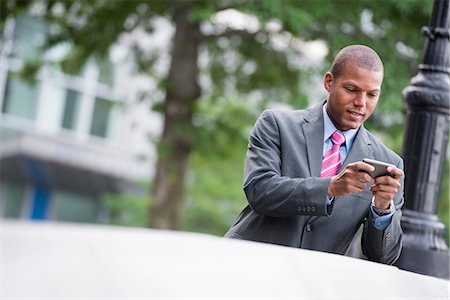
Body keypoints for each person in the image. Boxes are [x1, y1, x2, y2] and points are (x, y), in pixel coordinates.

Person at [225, 45, 405, 264]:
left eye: (371, 94)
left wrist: (383, 209)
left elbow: (383, 256)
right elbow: (260, 191)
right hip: (246, 265)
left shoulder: (389, 163)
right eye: (351, 89)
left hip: (314, 284)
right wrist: (329, 188)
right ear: (329, 82)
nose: (361, 102)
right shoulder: (276, 125)